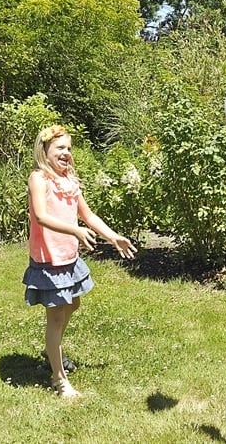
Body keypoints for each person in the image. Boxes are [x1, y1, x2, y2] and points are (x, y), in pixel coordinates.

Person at [22, 125, 137, 398]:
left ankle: (53, 350)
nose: (66, 153)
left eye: (69, 149)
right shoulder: (39, 179)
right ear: (44, 150)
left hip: (68, 258)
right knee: (57, 315)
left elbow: (87, 215)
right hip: (49, 260)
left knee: (73, 303)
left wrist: (113, 237)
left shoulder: (68, 181)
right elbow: (40, 216)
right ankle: (59, 379)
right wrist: (74, 230)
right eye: (60, 148)